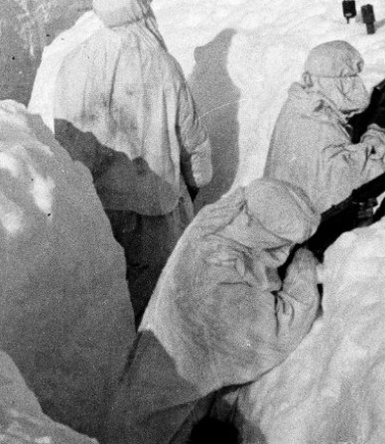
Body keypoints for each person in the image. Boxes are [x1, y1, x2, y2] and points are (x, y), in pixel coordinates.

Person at [104, 178, 321, 444]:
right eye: (282, 244)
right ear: (263, 234)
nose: (284, 252)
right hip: (156, 428)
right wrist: (303, 269)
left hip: (145, 398)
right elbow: (278, 332)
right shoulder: (218, 283)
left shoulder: (219, 224)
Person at [53, 0, 212, 321]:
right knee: (160, 296)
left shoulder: (73, 63)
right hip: (155, 205)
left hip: (98, 207)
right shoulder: (162, 65)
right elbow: (190, 137)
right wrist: (198, 178)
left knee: (112, 296)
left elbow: (65, 138)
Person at [264, 40, 385, 214]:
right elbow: (364, 175)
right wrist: (382, 133)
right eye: (349, 78)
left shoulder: (300, 103)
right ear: (337, 81)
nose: (356, 84)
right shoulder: (320, 125)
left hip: (281, 211)